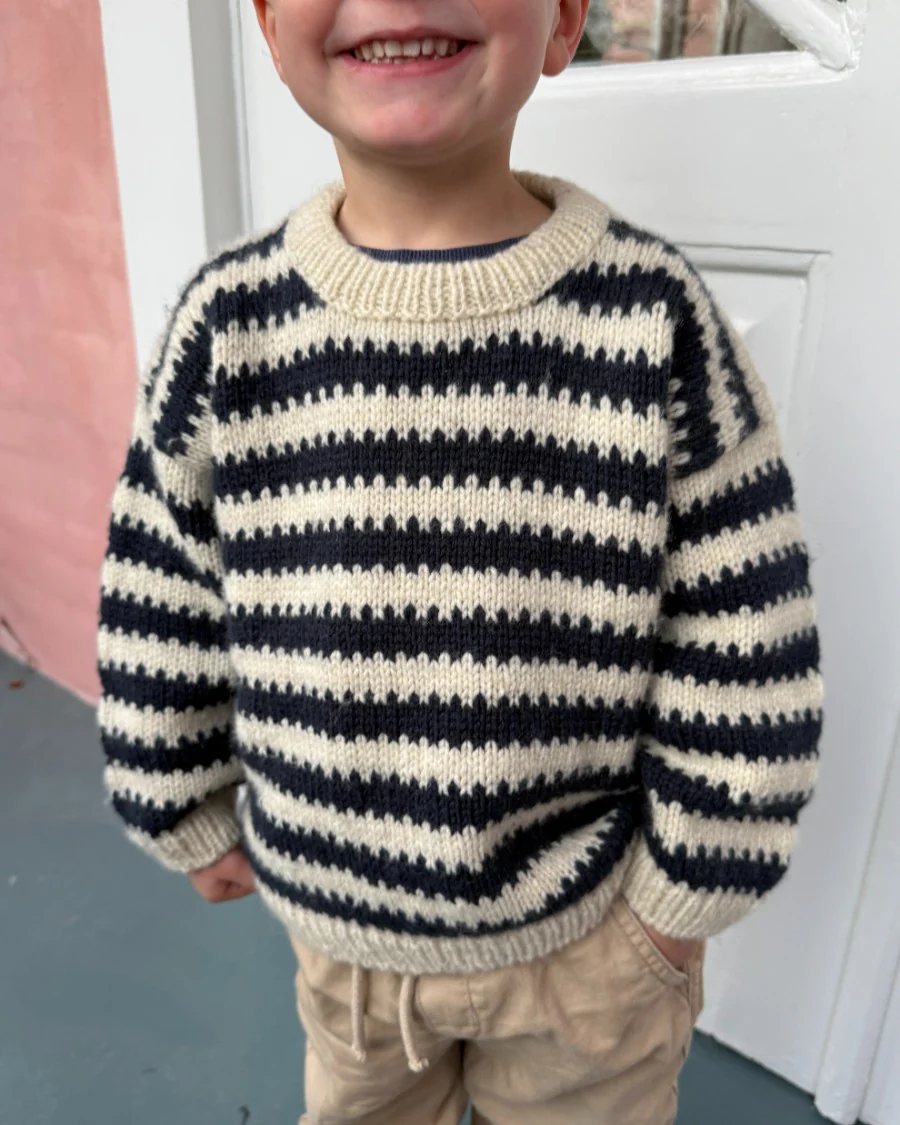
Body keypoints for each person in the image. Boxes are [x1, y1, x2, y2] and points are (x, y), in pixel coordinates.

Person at [95, 2, 823, 1122]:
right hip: (344, 948)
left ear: (563, 21)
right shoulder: (227, 328)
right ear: (271, 27)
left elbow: (742, 625)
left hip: (591, 947)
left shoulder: (652, 320)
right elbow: (163, 590)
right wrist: (178, 795)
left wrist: (688, 886)